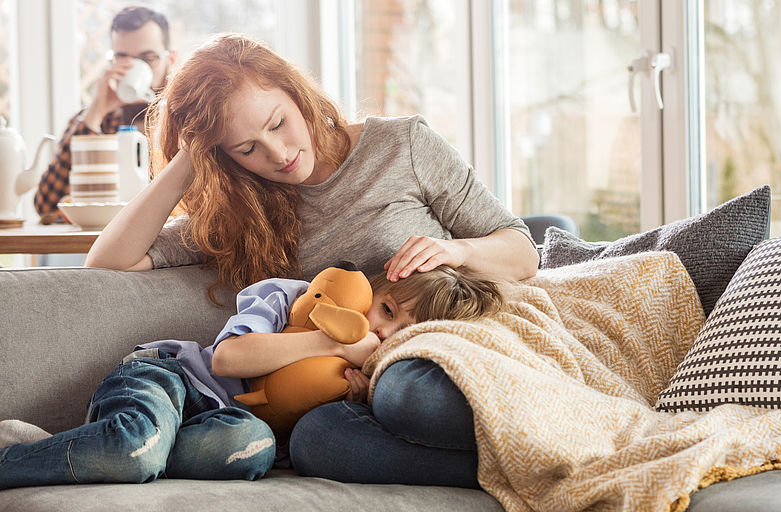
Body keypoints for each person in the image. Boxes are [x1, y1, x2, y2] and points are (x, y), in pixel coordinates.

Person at [83, 34, 538, 488]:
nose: (277, 154)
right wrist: (190, 156)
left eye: (278, 123)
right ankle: (509, 473)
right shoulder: (243, 213)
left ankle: (517, 463)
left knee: (406, 396)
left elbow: (523, 252)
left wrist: (459, 250)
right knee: (315, 441)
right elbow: (108, 263)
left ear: (297, 94)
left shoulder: (403, 147)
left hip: (434, 358)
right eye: (246, 148)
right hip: (345, 393)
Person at [0, 264, 507, 489]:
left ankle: (89, 447)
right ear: (372, 286)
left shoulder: (371, 381)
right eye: (387, 307)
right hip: (170, 380)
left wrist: (357, 395)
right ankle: (21, 455)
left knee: (251, 449)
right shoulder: (294, 298)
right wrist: (327, 340)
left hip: (222, 429)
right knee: (136, 446)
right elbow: (227, 361)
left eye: (398, 332)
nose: (379, 327)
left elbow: (309, 429)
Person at [34, 6, 176, 224]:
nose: (133, 68)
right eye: (122, 58)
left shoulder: (186, 121)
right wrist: (95, 113)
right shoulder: (96, 121)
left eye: (147, 59)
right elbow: (46, 205)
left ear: (171, 60)